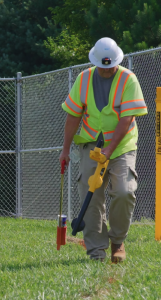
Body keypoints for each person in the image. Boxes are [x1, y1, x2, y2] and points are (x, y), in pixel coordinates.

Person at [59, 37, 148, 262]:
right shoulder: (84, 79)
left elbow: (127, 119)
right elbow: (73, 116)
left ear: (117, 61)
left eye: (110, 67)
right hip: (91, 145)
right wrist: (65, 150)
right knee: (91, 195)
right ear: (95, 62)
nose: (107, 71)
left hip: (121, 147)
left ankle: (117, 241)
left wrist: (109, 150)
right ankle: (96, 251)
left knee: (124, 191)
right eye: (103, 67)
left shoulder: (129, 79)